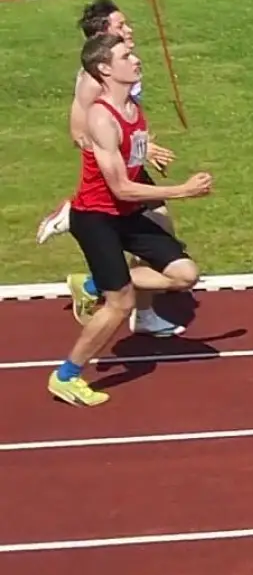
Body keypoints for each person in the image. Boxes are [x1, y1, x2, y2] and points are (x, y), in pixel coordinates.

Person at [47, 34, 212, 407]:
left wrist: (147, 150)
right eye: (126, 55)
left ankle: (92, 284)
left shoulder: (134, 110)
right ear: (105, 68)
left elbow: (131, 159)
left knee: (185, 275)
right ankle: (66, 376)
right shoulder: (101, 117)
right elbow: (120, 188)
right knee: (119, 304)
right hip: (96, 218)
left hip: (125, 214)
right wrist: (181, 191)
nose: (136, 59)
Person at [39, 0, 185, 337]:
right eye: (121, 26)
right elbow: (80, 132)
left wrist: (143, 148)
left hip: (130, 165)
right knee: (161, 236)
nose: (129, 29)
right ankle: (94, 283)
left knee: (163, 235)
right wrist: (115, 160)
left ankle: (140, 310)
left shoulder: (123, 68)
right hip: (113, 177)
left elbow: (126, 121)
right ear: (104, 35)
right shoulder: (92, 80)